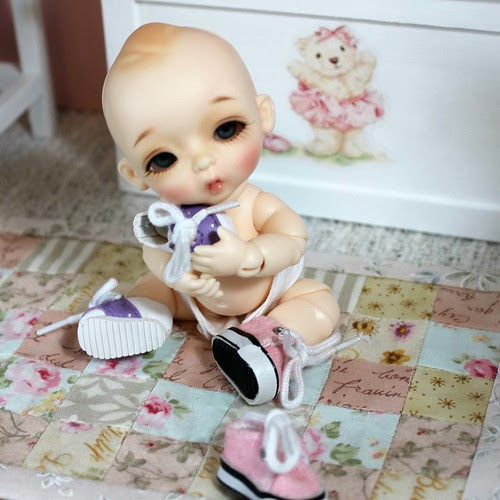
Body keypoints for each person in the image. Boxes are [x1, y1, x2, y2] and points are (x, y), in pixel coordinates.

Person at [39, 23, 357, 409]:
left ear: (262, 115)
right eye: (164, 158)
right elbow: (154, 252)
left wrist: (248, 256)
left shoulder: (257, 203)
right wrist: (175, 276)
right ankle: (139, 315)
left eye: (225, 130)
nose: (204, 162)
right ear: (135, 174)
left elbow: (292, 240)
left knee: (319, 303)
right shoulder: (170, 218)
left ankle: (265, 342)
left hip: (271, 297)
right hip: (190, 300)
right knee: (154, 286)